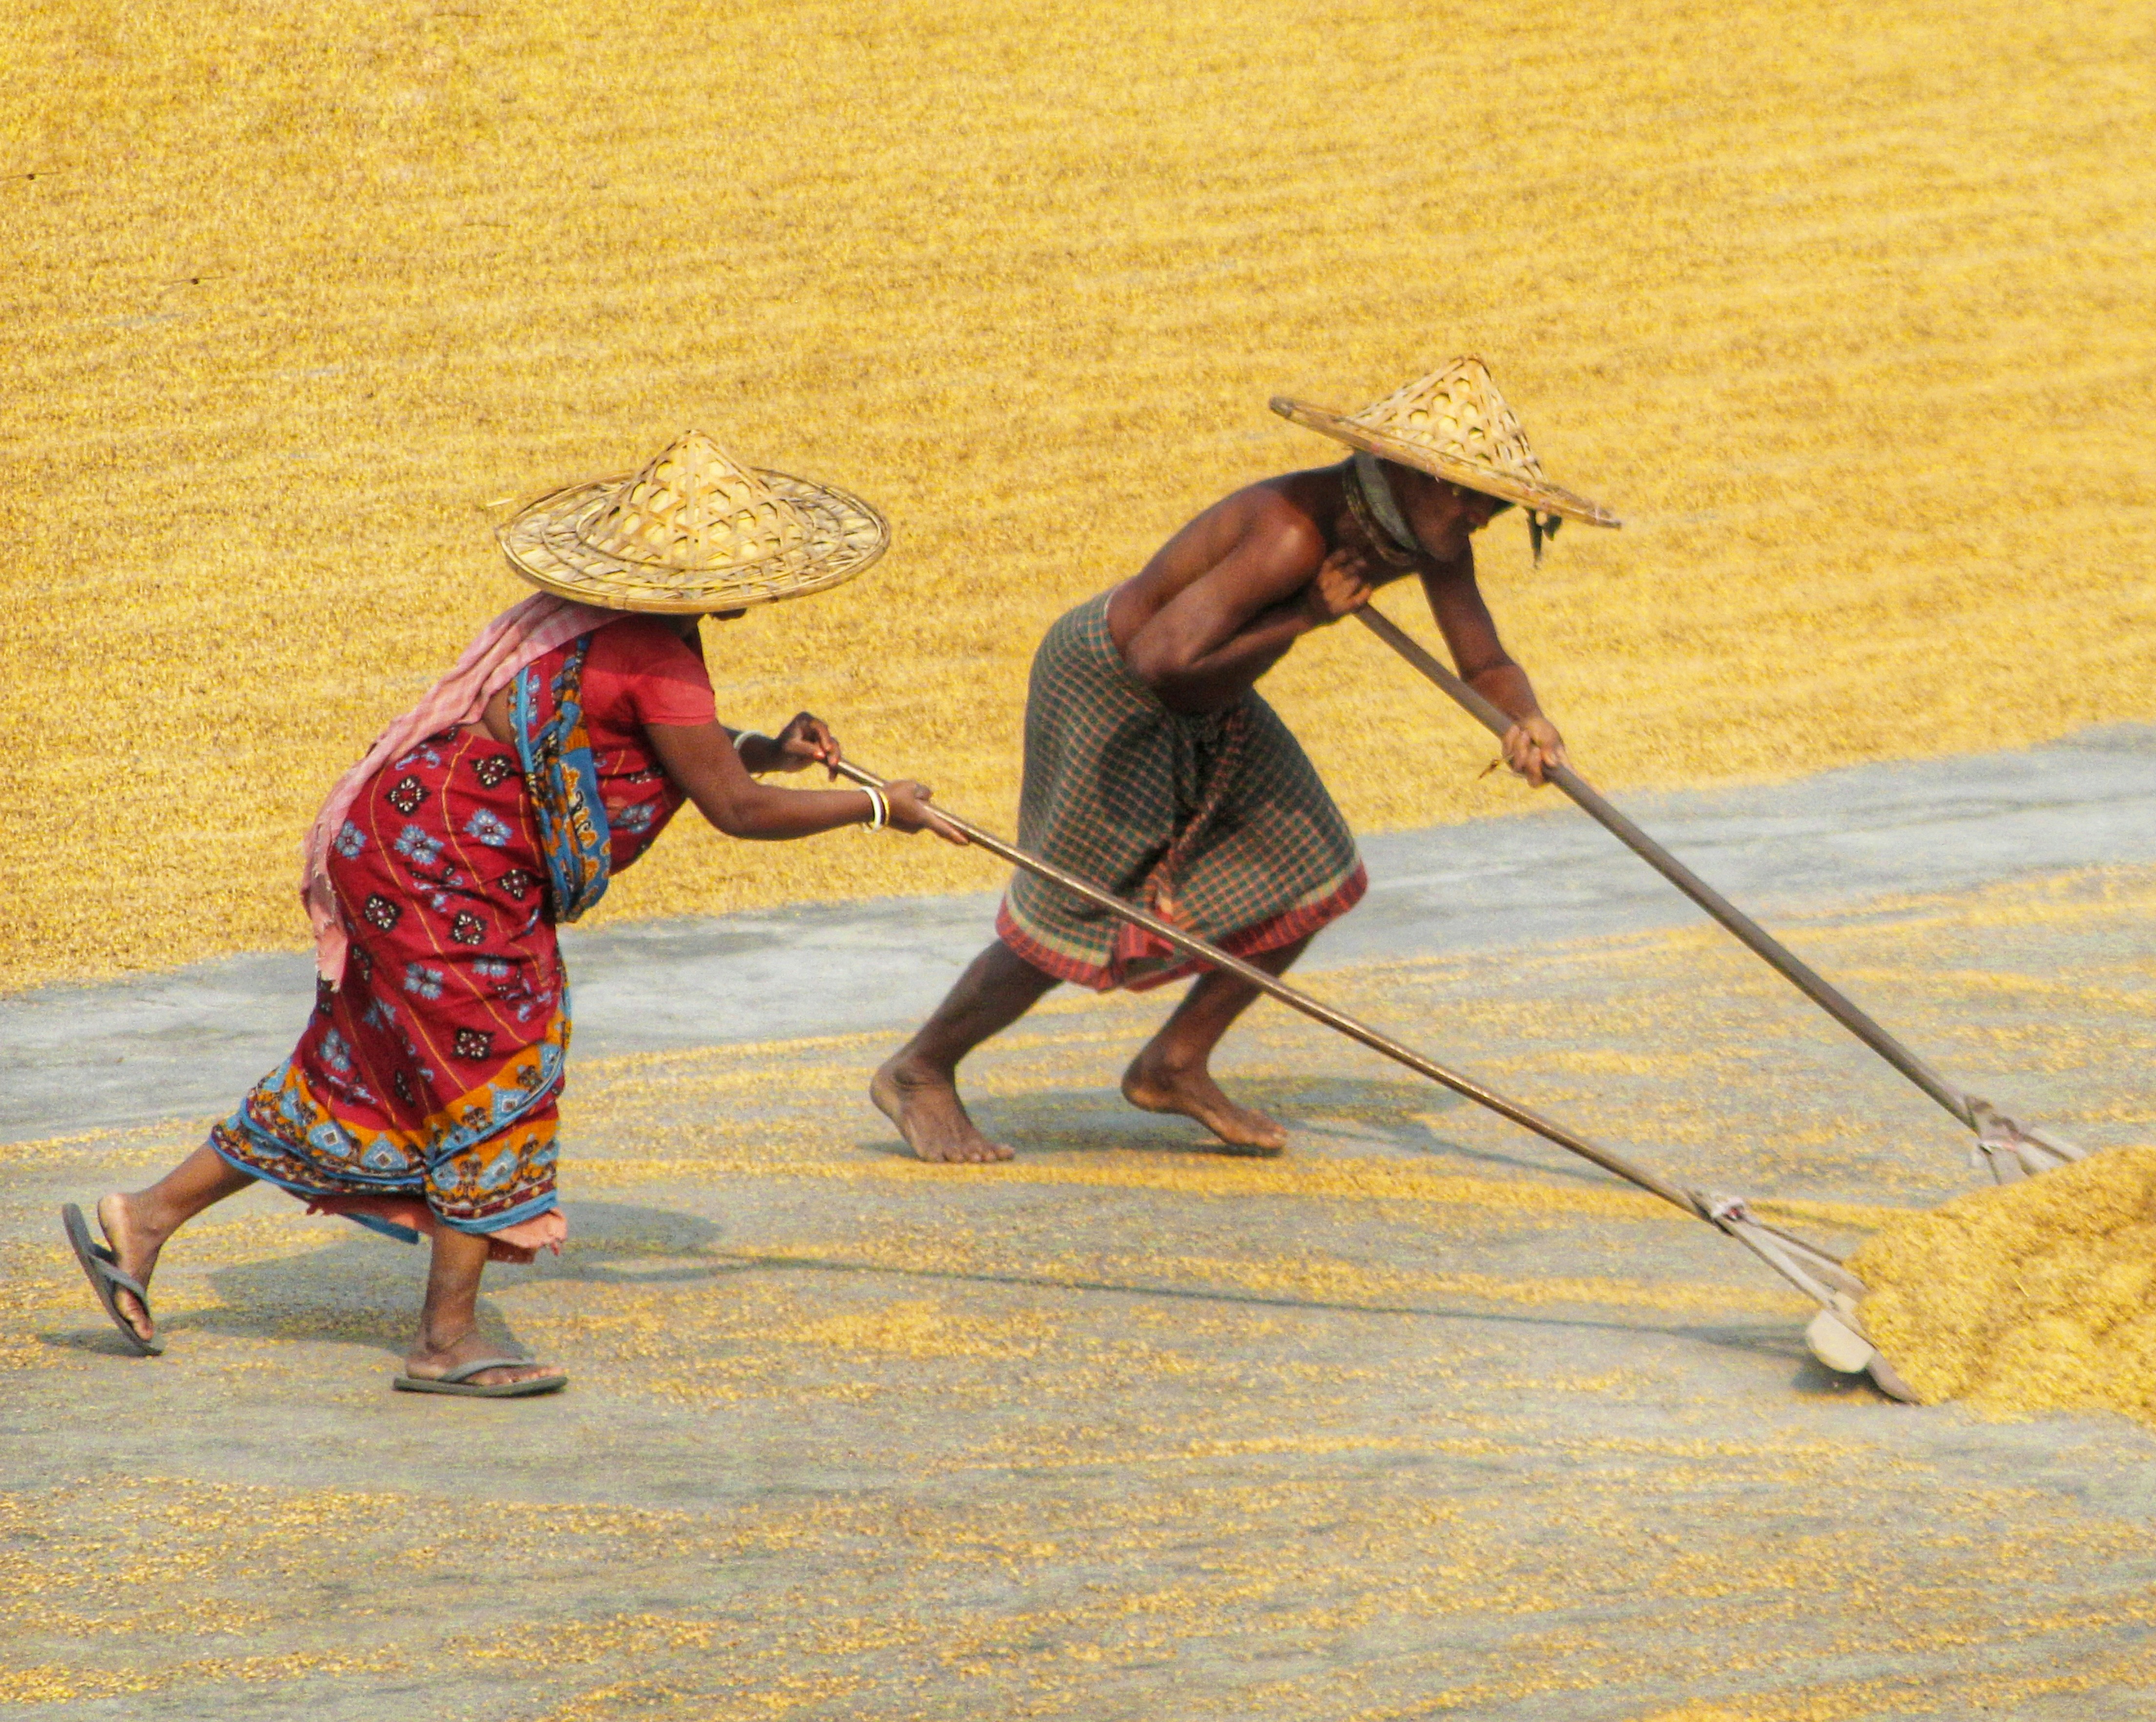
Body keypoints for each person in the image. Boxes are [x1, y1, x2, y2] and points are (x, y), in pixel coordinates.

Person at [62, 432, 960, 1396]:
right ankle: (446, 1342)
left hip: (403, 846)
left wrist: (765, 747)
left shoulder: (583, 620)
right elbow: (735, 808)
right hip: (448, 877)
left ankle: (147, 1216)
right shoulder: (662, 656)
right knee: (503, 1063)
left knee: (364, 1068)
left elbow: (653, 740)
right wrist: (880, 809)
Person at [872, 357, 1618, 1163]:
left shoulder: (1430, 535)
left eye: (1495, 502)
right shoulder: (1292, 533)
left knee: (1314, 863)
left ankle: (1175, 1062)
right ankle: (920, 1070)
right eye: (1468, 493)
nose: (1483, 514)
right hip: (1112, 688)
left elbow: (1485, 663)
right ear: (1409, 474)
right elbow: (1160, 661)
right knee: (1074, 905)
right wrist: (1306, 614)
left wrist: (1527, 720)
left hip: (1213, 694)